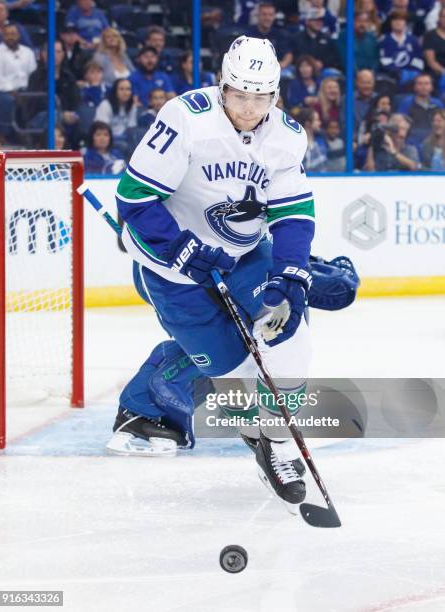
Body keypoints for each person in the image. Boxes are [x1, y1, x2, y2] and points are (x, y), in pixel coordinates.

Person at [110, 36, 317, 510]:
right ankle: (254, 432)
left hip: (245, 256)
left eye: (260, 96)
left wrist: (291, 272)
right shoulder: (185, 118)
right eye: (239, 94)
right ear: (222, 86)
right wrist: (180, 249)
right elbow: (134, 199)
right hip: (172, 271)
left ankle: (279, 446)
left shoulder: (287, 136)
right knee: (237, 377)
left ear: (276, 95)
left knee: (290, 337)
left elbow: (294, 213)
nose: (248, 107)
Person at [379, 11, 424, 85]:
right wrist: (399, 72)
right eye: (395, 20)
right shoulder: (384, 39)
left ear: (405, 23)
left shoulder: (413, 40)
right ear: (391, 23)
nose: (398, 22)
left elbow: (418, 59)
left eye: (401, 20)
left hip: (412, 74)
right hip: (392, 75)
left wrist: (411, 73)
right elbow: (385, 60)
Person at [396, 73, 442, 144]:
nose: (423, 87)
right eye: (420, 84)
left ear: (431, 87)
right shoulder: (406, 103)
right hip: (412, 141)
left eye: (426, 84)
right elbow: (400, 124)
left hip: (435, 141)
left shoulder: (438, 104)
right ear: (415, 87)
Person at [292, 8, 340, 74]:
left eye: (321, 20)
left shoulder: (327, 38)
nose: (319, 23)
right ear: (307, 21)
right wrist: (310, 63)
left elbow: (332, 57)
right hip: (303, 70)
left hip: (323, 70)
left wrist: (322, 63)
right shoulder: (297, 38)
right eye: (315, 20)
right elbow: (296, 57)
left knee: (334, 73)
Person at [95, 78, 138, 149]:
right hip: (107, 141)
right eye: (121, 89)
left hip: (125, 139)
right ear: (115, 91)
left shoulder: (132, 106)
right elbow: (102, 130)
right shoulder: (105, 105)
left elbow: (131, 128)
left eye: (128, 89)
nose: (125, 92)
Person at [293, 107, 327, 172]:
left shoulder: (321, 141)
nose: (319, 123)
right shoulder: (298, 146)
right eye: (317, 120)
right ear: (308, 123)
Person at [423, 7, 445, 94]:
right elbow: (431, 61)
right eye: (444, 16)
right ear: (439, 18)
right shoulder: (430, 36)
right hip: (437, 72)